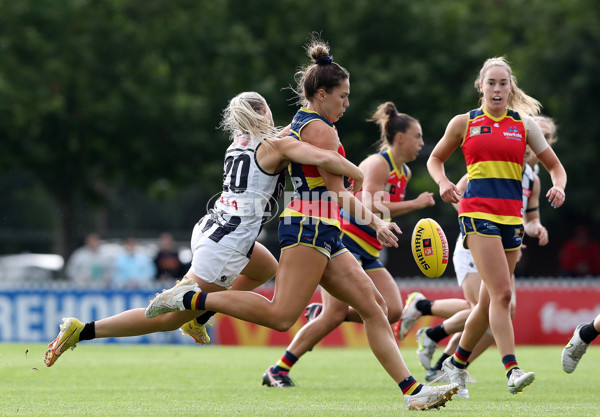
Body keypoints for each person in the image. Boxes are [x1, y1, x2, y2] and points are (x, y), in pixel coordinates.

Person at [145, 37, 458, 411]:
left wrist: (371, 219)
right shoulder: (323, 130)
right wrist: (375, 221)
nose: (346, 103)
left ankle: (413, 392)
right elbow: (337, 192)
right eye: (343, 96)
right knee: (281, 317)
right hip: (309, 227)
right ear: (322, 94)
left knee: (375, 309)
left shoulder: (300, 122)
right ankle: (192, 299)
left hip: (323, 229)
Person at [44, 91, 365, 366]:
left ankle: (200, 314)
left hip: (212, 227)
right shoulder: (275, 147)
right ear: (264, 113)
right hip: (228, 244)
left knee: (266, 267)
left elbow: (281, 138)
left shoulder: (238, 144)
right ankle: (83, 330)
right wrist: (356, 171)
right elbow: (324, 158)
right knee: (168, 318)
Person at [261, 102, 443, 385]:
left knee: (392, 310)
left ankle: (329, 313)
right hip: (347, 241)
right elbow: (366, 201)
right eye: (418, 137)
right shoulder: (377, 164)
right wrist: (413, 204)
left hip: (369, 250)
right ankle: (279, 369)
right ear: (400, 138)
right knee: (339, 314)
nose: (421, 143)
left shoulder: (404, 173)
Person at [426, 56, 566, 397]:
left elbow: (555, 167)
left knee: (488, 302)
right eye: (492, 83)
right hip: (476, 214)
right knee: (504, 295)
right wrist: (444, 182)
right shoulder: (465, 122)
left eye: (504, 83)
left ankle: (455, 365)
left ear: (511, 88)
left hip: (511, 220)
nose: (498, 89)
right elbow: (435, 159)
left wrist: (559, 185)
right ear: (481, 87)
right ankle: (511, 369)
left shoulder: (524, 125)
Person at [409, 114, 559, 386]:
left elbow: (530, 217)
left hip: (505, 242)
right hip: (475, 242)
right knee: (490, 303)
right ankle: (453, 355)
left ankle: (449, 359)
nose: (535, 144)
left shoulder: (531, 180)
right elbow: (461, 196)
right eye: (539, 136)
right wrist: (478, 226)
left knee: (497, 309)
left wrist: (534, 228)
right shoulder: (492, 162)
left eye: (546, 138)